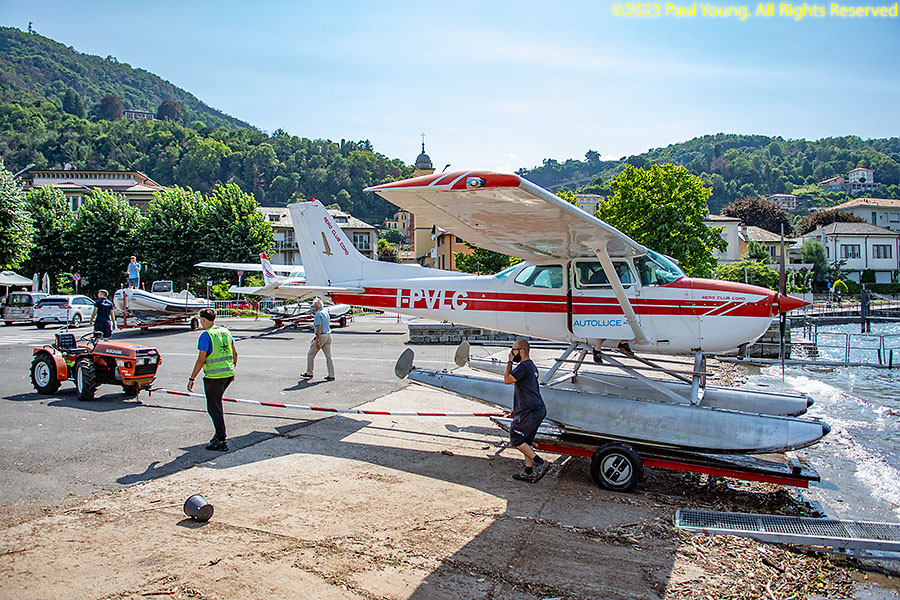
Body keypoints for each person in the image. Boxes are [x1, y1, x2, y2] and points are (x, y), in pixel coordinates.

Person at [188, 308, 238, 451]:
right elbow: (235, 353)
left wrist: (192, 378)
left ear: (203, 320)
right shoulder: (225, 332)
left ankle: (221, 440)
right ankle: (218, 434)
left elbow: (201, 359)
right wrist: (232, 370)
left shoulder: (206, 335)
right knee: (216, 405)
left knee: (214, 408)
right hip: (227, 374)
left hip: (214, 377)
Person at [503, 339, 549, 483]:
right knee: (526, 442)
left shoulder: (523, 366)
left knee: (516, 439)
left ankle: (540, 462)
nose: (512, 353)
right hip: (536, 409)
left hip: (529, 411)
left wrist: (509, 362)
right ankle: (528, 471)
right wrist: (515, 408)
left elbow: (507, 379)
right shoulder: (531, 366)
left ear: (521, 351)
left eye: (513, 350)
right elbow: (527, 389)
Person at [301, 298, 335, 381]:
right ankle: (331, 374)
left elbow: (319, 327)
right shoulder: (325, 312)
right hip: (328, 335)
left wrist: (317, 339)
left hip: (322, 335)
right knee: (329, 356)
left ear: (316, 306)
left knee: (311, 354)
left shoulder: (318, 314)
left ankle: (309, 372)